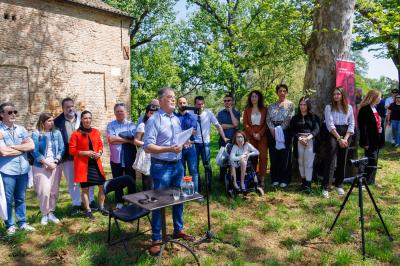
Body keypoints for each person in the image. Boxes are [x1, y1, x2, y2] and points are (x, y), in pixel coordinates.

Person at [144, 87, 193, 256]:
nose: (173, 100)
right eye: (170, 97)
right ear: (162, 100)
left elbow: (176, 141)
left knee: (178, 197)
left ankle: (178, 229)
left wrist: (183, 144)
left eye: (174, 97)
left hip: (177, 165)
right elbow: (147, 147)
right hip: (160, 166)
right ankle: (156, 238)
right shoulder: (154, 120)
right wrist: (169, 149)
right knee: (158, 202)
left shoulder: (176, 120)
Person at [54, 97, 95, 215]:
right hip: (68, 156)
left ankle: (91, 201)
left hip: (84, 155)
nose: (70, 108)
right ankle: (77, 203)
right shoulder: (58, 122)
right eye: (67, 107)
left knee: (88, 178)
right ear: (63, 109)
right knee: (72, 181)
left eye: (71, 106)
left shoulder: (81, 118)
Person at [0, 102, 35, 235]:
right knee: (8, 199)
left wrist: (13, 147)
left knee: (20, 198)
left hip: (23, 169)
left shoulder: (21, 129)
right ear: (2, 114)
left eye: (15, 112)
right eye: (10, 112)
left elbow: (31, 146)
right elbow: (3, 152)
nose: (13, 114)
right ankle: (10, 225)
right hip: (7, 170)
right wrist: (21, 148)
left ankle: (22, 223)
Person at [69, 111, 108, 219]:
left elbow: (100, 145)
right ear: (81, 119)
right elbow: (72, 151)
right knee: (85, 189)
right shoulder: (76, 134)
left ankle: (101, 207)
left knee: (102, 186)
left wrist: (99, 153)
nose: (88, 120)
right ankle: (88, 210)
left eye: (89, 118)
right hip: (83, 166)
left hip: (96, 164)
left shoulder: (96, 132)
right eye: (85, 118)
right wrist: (86, 153)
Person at [31, 113, 65, 225]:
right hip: (41, 166)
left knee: (54, 191)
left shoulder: (57, 132)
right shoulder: (36, 134)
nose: (52, 122)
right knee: (44, 191)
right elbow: (34, 151)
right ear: (42, 122)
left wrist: (55, 161)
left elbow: (62, 148)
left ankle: (51, 212)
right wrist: (45, 162)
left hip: (55, 165)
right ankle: (44, 214)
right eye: (49, 121)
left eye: (52, 120)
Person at [322, 86, 355, 198]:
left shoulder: (349, 108)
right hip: (333, 133)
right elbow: (329, 125)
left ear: (342, 95)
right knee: (330, 158)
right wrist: (339, 138)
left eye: (338, 94)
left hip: (346, 133)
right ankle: (326, 186)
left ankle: (339, 185)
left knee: (342, 159)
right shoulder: (329, 107)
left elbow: (352, 124)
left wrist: (345, 138)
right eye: (334, 94)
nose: (336, 96)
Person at [193, 96, 229, 192]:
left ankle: (209, 187)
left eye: (202, 104)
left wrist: (224, 137)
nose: (200, 106)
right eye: (198, 104)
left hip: (206, 143)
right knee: (195, 166)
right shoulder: (190, 113)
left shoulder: (208, 113)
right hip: (194, 144)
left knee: (207, 165)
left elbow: (218, 125)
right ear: (195, 104)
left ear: (204, 104)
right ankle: (198, 188)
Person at [106, 103, 136, 209]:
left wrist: (119, 138)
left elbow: (134, 140)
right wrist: (127, 139)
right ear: (114, 113)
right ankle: (119, 201)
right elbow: (111, 139)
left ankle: (132, 200)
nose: (119, 113)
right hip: (116, 158)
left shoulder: (132, 125)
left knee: (131, 179)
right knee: (117, 180)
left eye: (121, 111)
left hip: (129, 156)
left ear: (125, 112)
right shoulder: (110, 125)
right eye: (117, 111)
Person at [266, 84, 295, 188]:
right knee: (274, 155)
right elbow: (268, 119)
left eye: (284, 91)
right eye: (280, 91)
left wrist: (279, 130)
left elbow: (288, 119)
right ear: (277, 93)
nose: (282, 93)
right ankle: (275, 178)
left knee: (285, 156)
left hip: (285, 131)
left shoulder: (291, 105)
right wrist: (272, 130)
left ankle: (285, 179)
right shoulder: (271, 105)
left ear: (286, 92)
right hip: (272, 131)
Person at [290, 97, 320, 192]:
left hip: (310, 141)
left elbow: (316, 129)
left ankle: (308, 185)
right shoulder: (295, 118)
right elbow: (293, 130)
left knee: (308, 163)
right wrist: (299, 138)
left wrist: (308, 137)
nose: (302, 106)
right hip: (299, 141)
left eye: (304, 105)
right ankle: (303, 184)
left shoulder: (314, 117)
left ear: (308, 106)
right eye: (301, 104)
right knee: (301, 162)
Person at [358, 90, 385, 185]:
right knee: (370, 160)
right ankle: (364, 182)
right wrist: (365, 142)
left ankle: (371, 181)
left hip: (377, 139)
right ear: (373, 97)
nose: (380, 99)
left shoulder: (374, 108)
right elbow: (363, 128)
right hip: (370, 140)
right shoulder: (365, 110)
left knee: (374, 160)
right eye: (379, 97)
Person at [243, 90, 268, 189]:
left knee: (263, 156)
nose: (254, 98)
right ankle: (253, 178)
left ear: (259, 98)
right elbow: (245, 124)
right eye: (252, 96)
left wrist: (260, 134)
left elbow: (266, 123)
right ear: (250, 98)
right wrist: (253, 133)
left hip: (262, 135)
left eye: (255, 96)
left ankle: (262, 179)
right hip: (250, 134)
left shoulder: (264, 109)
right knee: (252, 156)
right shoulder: (247, 110)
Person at [176, 97, 199, 192]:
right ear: (177, 104)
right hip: (179, 148)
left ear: (187, 103)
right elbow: (174, 132)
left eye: (184, 103)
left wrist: (184, 136)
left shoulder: (192, 116)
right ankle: (184, 192)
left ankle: (196, 192)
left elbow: (194, 131)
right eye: (180, 103)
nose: (182, 105)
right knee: (181, 171)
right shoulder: (174, 117)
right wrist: (185, 136)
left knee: (193, 171)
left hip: (190, 147)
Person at [217, 93, 240, 185]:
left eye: (229, 100)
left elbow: (236, 124)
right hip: (223, 140)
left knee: (234, 160)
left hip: (234, 141)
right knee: (223, 160)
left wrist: (230, 111)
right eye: (225, 101)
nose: (226, 102)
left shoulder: (236, 113)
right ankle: (222, 179)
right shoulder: (220, 113)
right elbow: (221, 126)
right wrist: (232, 126)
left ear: (232, 102)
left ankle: (233, 178)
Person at [133, 104, 158, 190]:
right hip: (146, 154)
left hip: (157, 153)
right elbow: (135, 141)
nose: (152, 115)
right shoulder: (142, 125)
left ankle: (158, 200)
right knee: (148, 180)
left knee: (157, 178)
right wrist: (147, 144)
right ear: (147, 113)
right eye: (151, 113)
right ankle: (147, 200)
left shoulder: (158, 125)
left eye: (155, 113)